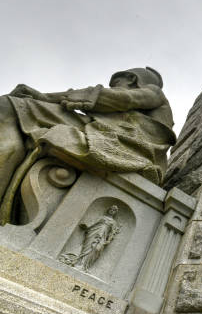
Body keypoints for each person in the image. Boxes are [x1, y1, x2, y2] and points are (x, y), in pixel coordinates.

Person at [0, 67, 176, 224]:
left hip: (119, 144)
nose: (113, 87)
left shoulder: (154, 93)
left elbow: (118, 99)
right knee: (12, 109)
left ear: (132, 79)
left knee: (11, 106)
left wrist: (44, 97)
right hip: (103, 134)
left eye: (116, 83)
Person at [59, 204, 121, 272]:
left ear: (115, 212)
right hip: (93, 233)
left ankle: (85, 266)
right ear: (108, 210)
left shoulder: (113, 222)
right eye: (111, 209)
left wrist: (108, 240)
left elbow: (112, 233)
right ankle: (79, 263)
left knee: (97, 249)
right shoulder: (102, 217)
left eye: (114, 210)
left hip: (102, 237)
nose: (112, 211)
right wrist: (86, 227)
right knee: (87, 248)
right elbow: (93, 224)